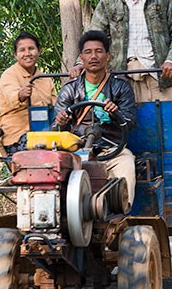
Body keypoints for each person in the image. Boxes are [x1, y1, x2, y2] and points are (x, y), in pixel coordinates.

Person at [54, 30, 138, 212]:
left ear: (107, 57)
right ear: (81, 58)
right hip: (76, 151)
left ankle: (121, 214)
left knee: (127, 164)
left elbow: (130, 121)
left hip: (112, 150)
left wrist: (117, 114)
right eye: (88, 52)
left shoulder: (121, 86)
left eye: (99, 51)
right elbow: (57, 125)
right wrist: (61, 121)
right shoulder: (70, 89)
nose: (94, 56)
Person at [0, 31, 57, 154]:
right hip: (18, 136)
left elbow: (56, 106)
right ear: (15, 55)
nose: (27, 53)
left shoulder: (45, 78)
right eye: (22, 50)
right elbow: (12, 97)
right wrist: (21, 95)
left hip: (46, 133)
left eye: (31, 49)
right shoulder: (9, 75)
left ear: (39, 51)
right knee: (44, 149)